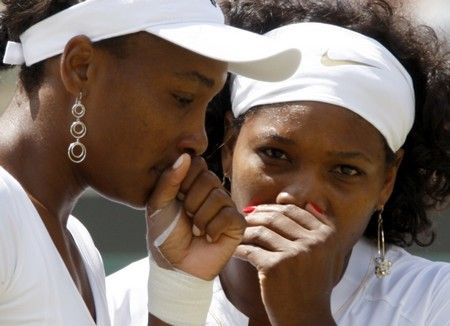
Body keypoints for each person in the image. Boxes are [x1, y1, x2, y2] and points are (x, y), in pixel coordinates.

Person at [106, 0, 450, 325]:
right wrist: (177, 298)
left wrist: (305, 314)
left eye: (346, 170)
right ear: (228, 147)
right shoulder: (118, 302)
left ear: (386, 183)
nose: (300, 195)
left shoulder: (435, 301)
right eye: (275, 154)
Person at [0, 0, 302, 325]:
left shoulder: (80, 248)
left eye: (206, 105)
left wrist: (180, 286)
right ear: (80, 67)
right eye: (183, 98)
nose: (200, 140)